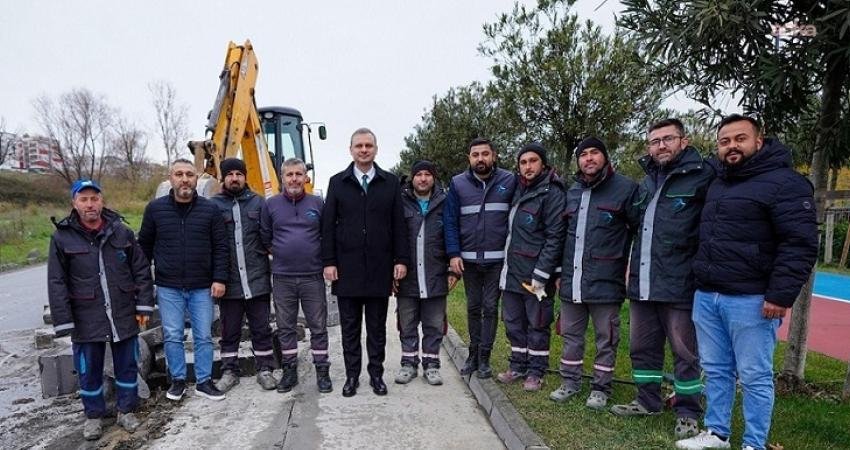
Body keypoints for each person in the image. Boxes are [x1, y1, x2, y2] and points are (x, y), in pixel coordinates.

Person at [675, 115, 818, 450]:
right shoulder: (717, 182)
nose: (732, 146)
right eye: (724, 141)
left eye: (740, 139)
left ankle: (754, 442)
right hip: (708, 294)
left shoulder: (786, 183)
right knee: (715, 369)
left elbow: (799, 243)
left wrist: (780, 295)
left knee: (754, 375)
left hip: (752, 299)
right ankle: (717, 433)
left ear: (759, 141)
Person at [610, 118, 714, 441]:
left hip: (680, 283)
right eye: (655, 141)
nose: (661, 146)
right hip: (643, 283)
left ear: (684, 141)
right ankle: (647, 401)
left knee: (685, 351)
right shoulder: (646, 183)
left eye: (668, 139)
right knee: (642, 347)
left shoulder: (702, 176)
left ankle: (688, 412)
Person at [47, 179, 154, 440]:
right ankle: (93, 416)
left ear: (101, 201)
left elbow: (141, 270)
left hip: (122, 311)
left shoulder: (121, 232)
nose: (90, 204)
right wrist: (64, 320)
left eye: (94, 198)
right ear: (74, 203)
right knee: (88, 368)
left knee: (127, 364)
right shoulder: (62, 237)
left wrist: (143, 305)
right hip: (86, 315)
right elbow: (56, 281)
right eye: (83, 199)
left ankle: (126, 411)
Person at [550, 137, 638, 410]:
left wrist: (629, 268)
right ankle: (570, 382)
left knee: (606, 338)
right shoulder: (573, 191)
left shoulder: (626, 189)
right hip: (572, 281)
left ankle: (601, 388)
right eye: (583, 154)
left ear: (605, 157)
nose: (588, 158)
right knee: (571, 335)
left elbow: (639, 232)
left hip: (606, 281)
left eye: (594, 153)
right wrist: (559, 273)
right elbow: (562, 236)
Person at [321, 128, 409, 397]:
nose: (363, 150)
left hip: (379, 269)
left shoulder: (390, 182)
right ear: (351, 150)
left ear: (376, 149)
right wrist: (329, 261)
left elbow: (399, 224)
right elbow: (327, 226)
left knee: (376, 329)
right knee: (349, 329)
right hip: (346, 269)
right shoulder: (337, 183)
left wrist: (401, 259)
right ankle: (352, 376)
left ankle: (376, 375)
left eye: (368, 145)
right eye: (358, 146)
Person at [138, 158, 229, 402]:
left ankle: (204, 381)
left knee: (203, 336)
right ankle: (177, 381)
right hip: (168, 287)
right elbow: (143, 248)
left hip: (202, 286)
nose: (185, 179)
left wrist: (219, 278)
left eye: (189, 174)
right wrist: (142, 284)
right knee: (172, 335)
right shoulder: (155, 210)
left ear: (196, 179)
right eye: (179, 174)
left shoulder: (210, 210)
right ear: (171, 178)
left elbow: (221, 247)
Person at [444, 137, 517, 379]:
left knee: (490, 307)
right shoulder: (457, 183)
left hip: (497, 260)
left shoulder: (509, 180)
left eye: (485, 154)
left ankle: (485, 358)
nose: (480, 159)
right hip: (469, 261)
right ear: (469, 158)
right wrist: (453, 254)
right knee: (473, 307)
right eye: (475, 155)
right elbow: (450, 221)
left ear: (494, 156)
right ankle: (472, 355)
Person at [495, 143, 565, 391]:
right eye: (523, 162)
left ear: (543, 164)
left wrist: (542, 273)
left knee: (537, 323)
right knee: (513, 322)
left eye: (533, 161)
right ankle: (518, 365)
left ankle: (536, 371)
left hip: (536, 276)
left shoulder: (552, 193)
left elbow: (555, 237)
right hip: (512, 272)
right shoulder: (518, 190)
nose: (528, 166)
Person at [261, 158, 333, 394]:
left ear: (305, 177)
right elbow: (265, 237)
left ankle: (322, 370)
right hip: (283, 277)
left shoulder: (317, 203)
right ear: (282, 177)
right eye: (289, 174)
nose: (294, 179)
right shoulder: (271, 205)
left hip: (312, 276)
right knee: (285, 327)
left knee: (318, 326)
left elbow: (326, 235)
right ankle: (289, 370)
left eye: (298, 174)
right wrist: (283, 253)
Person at [210, 158, 277, 393]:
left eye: (239, 174)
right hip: (229, 282)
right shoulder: (213, 206)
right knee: (229, 330)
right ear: (223, 178)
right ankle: (230, 371)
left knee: (261, 328)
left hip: (257, 279)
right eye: (230, 174)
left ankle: (265, 369)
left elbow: (269, 237)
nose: (235, 178)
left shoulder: (259, 203)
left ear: (245, 176)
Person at [394, 160, 459, 386]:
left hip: (435, 274)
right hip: (407, 276)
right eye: (419, 174)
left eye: (427, 174)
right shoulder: (400, 201)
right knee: (407, 323)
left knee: (434, 324)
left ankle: (431, 365)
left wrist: (452, 269)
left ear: (434, 178)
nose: (423, 179)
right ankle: (408, 364)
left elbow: (452, 233)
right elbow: (392, 236)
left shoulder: (445, 201)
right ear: (412, 178)